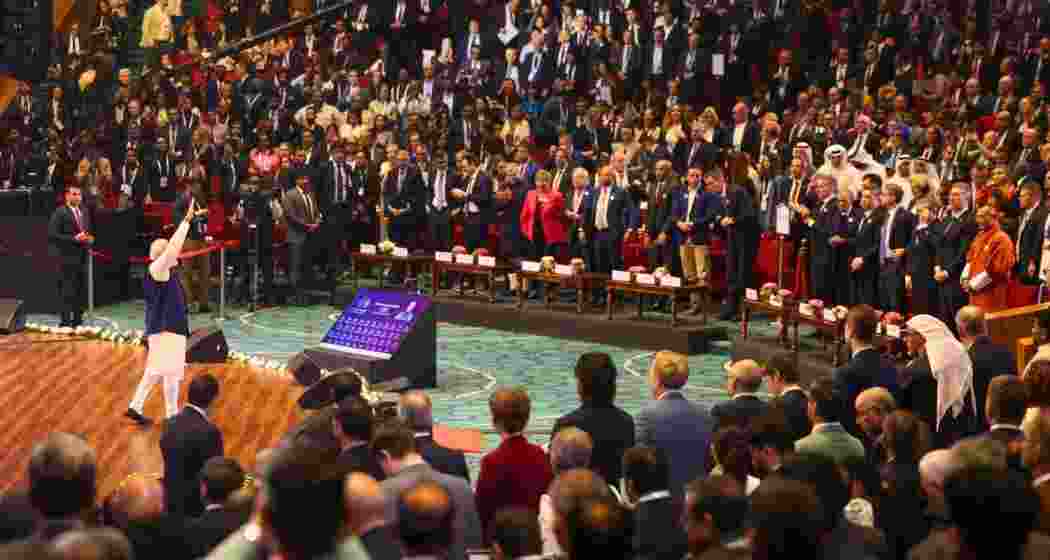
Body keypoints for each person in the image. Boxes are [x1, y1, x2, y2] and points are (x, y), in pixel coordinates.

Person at [125, 197, 199, 425]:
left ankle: (136, 406)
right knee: (172, 373)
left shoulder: (162, 271)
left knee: (157, 370)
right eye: (169, 252)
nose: (174, 255)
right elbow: (173, 249)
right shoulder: (159, 269)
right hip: (167, 328)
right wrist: (185, 222)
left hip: (163, 326)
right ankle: (171, 416)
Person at [902, 314, 979, 448]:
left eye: (908, 334)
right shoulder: (961, 357)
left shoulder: (914, 371)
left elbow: (904, 406)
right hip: (964, 434)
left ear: (922, 336)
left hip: (929, 440)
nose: (904, 339)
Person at [48, 184, 93, 328]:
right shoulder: (60, 212)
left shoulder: (84, 211)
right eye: (73, 194)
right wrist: (74, 239)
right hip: (66, 258)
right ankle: (65, 322)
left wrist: (89, 238)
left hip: (82, 258)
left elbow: (86, 231)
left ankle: (78, 321)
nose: (77, 197)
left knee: (80, 290)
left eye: (79, 194)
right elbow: (52, 235)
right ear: (67, 196)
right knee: (67, 291)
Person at [962, 205, 1017, 312]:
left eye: (982, 217)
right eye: (977, 217)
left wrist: (973, 284)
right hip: (974, 294)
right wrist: (965, 278)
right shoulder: (979, 236)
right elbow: (970, 258)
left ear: (993, 217)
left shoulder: (1001, 239)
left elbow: (997, 270)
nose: (978, 220)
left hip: (991, 294)